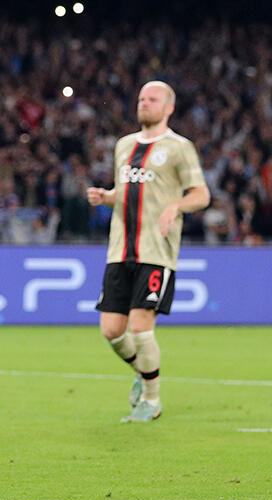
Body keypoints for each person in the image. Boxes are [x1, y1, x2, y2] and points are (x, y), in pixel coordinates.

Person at [87, 81, 210, 422]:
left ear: (169, 107)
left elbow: (201, 194)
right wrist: (106, 197)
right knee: (112, 330)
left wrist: (176, 206)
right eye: (141, 98)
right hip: (119, 250)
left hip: (156, 251)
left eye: (153, 99)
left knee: (141, 326)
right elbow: (125, 191)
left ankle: (152, 401)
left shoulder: (179, 147)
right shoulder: (124, 145)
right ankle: (144, 376)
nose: (144, 103)